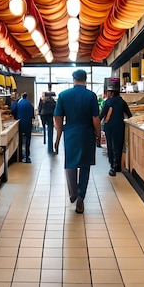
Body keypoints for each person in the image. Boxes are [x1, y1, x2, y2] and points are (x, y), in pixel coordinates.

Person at [53, 69, 101, 214]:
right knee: (85, 166)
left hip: (71, 134)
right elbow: (95, 119)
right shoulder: (91, 96)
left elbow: (57, 118)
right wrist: (98, 134)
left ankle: (73, 193)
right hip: (87, 134)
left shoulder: (63, 95)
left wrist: (58, 136)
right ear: (85, 79)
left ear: (73, 79)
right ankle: (81, 197)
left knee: (70, 163)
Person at [99, 78, 132, 177]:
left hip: (109, 127)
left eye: (108, 92)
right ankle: (116, 166)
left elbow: (102, 115)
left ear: (111, 92)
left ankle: (112, 165)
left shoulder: (108, 102)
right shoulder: (122, 102)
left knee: (110, 145)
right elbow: (129, 115)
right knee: (118, 146)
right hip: (119, 126)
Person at [11, 92, 34, 163]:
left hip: (20, 123)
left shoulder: (18, 103)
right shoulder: (30, 104)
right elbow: (33, 115)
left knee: (20, 140)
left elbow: (13, 111)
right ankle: (27, 156)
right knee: (28, 140)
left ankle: (20, 155)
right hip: (28, 124)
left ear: (21, 96)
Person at [37, 84, 56, 153]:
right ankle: (49, 145)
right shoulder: (53, 101)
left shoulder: (43, 100)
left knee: (46, 129)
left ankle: (46, 141)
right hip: (51, 116)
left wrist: (39, 113)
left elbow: (39, 108)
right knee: (50, 131)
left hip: (44, 115)